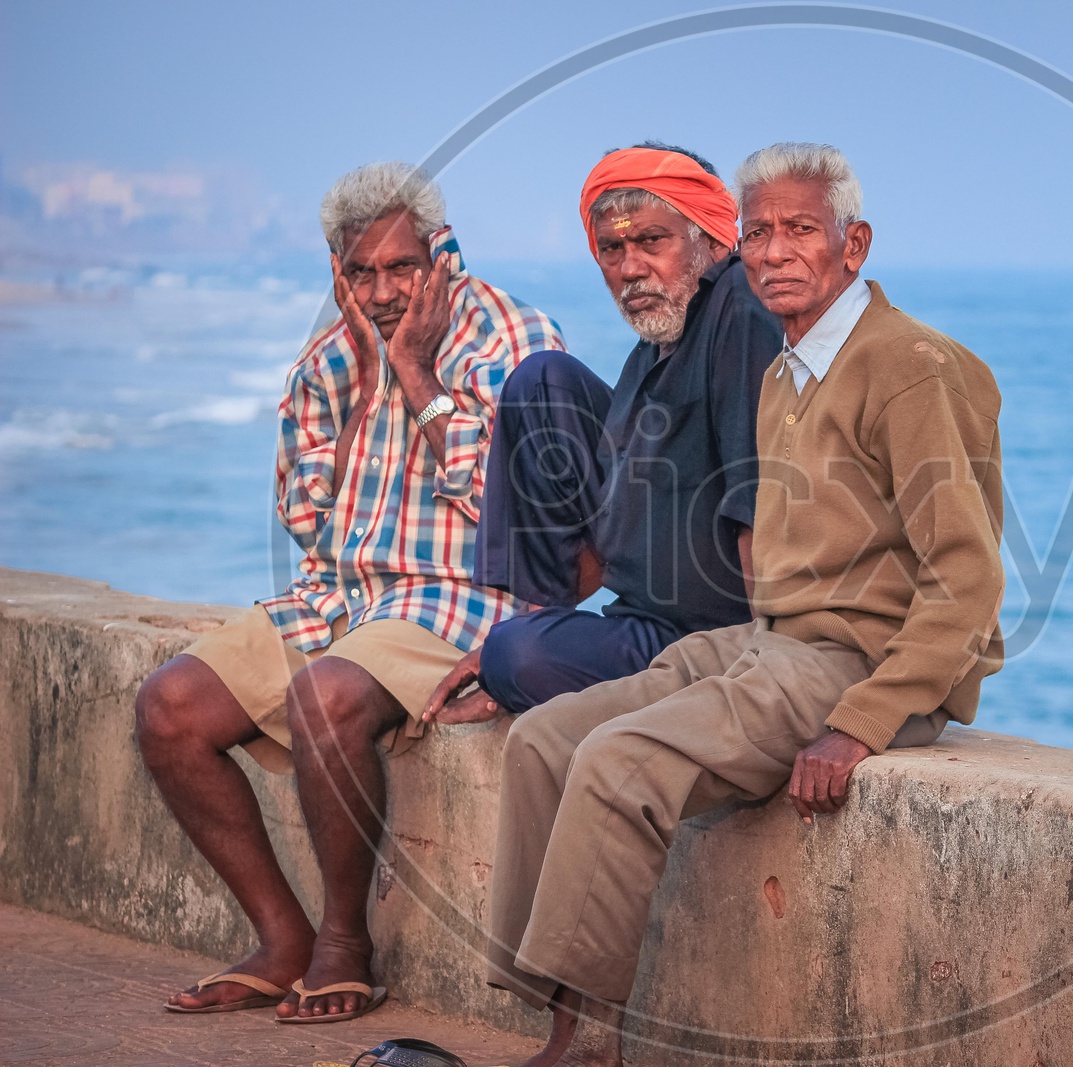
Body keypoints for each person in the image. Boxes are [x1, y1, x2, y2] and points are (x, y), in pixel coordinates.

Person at [485, 142, 1006, 1067]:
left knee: (617, 759)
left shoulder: (912, 365)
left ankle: (589, 1045)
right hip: (764, 644)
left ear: (855, 245)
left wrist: (861, 723)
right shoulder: (787, 372)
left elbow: (968, 578)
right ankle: (554, 1018)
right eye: (759, 230)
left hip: (853, 667)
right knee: (543, 741)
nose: (772, 252)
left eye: (800, 229)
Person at [134, 162, 564, 1023]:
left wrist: (415, 375)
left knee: (321, 697)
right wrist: (366, 376)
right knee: (169, 708)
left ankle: (343, 943)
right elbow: (303, 514)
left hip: (452, 603)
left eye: (400, 267)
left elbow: (510, 518)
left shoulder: (512, 339)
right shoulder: (332, 356)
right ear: (337, 270)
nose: (381, 291)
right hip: (338, 600)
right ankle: (281, 936)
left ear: (442, 256)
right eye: (359, 272)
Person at [423, 143, 780, 725]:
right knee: (544, 381)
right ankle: (537, 625)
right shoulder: (657, 341)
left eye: (650, 241)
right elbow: (619, 512)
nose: (630, 268)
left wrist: (774, 668)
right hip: (645, 614)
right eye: (612, 248)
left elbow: (758, 500)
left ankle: (529, 645)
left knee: (515, 655)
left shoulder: (738, 306)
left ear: (712, 238)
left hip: (719, 639)